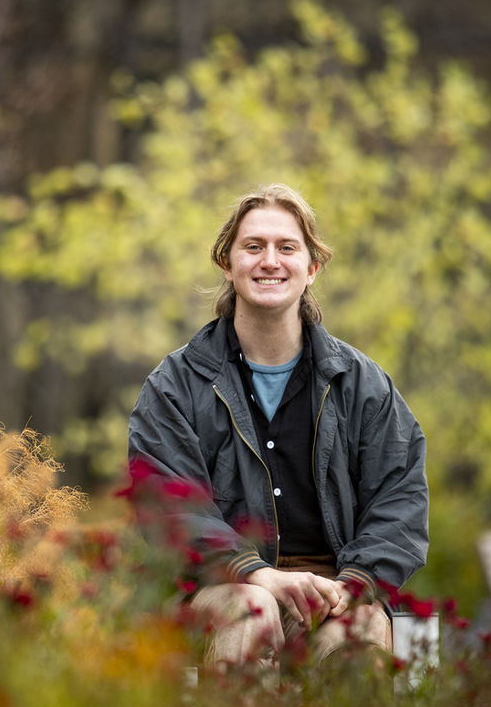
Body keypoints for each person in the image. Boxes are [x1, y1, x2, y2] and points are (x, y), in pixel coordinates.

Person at [126, 183, 428, 669]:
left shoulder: (363, 386)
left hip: (335, 594)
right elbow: (167, 507)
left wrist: (355, 585)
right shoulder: (174, 387)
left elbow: (401, 501)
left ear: (311, 268)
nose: (270, 260)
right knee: (252, 609)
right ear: (228, 263)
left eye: (287, 247)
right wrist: (257, 575)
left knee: (361, 630)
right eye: (253, 246)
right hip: (222, 591)